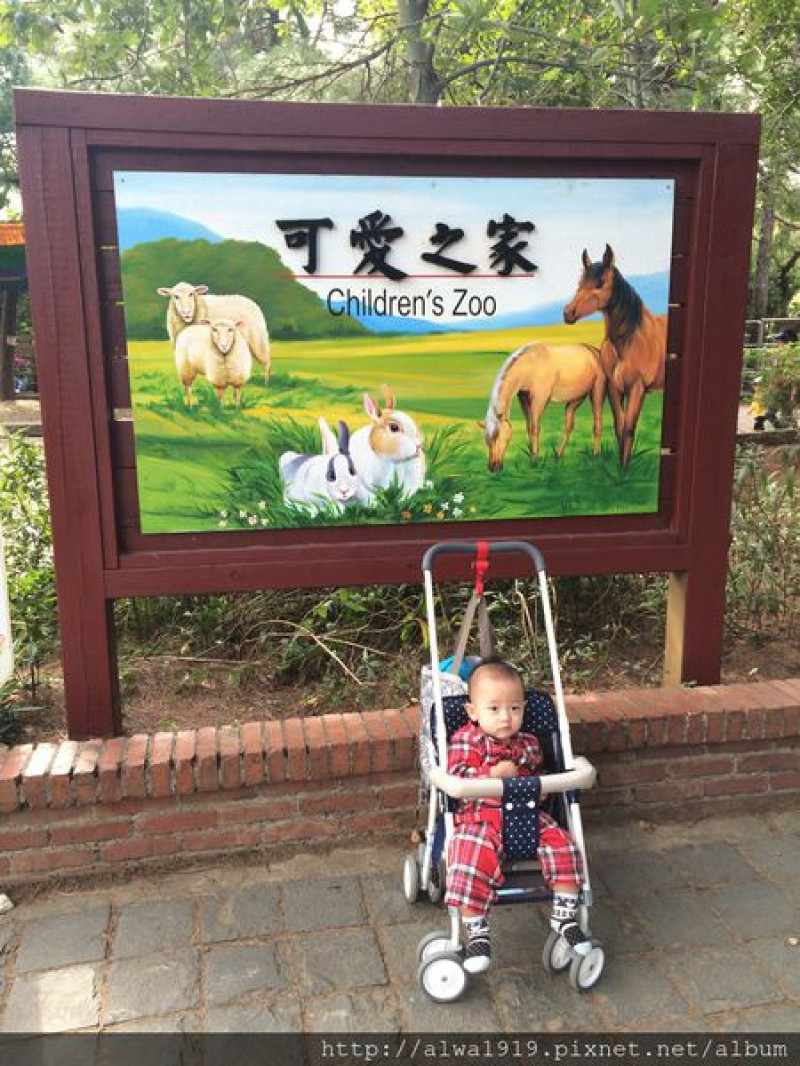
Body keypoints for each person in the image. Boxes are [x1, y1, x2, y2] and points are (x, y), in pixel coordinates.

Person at [444, 658, 589, 973]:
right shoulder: (466, 740)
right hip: (480, 819)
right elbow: (457, 776)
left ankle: (565, 915)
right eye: (493, 709)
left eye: (514, 708)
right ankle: (477, 931)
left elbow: (540, 772)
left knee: (564, 846)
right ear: (473, 712)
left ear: (523, 708)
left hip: (526, 818)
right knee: (469, 857)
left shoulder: (529, 742)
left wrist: (542, 787)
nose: (505, 718)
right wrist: (491, 774)